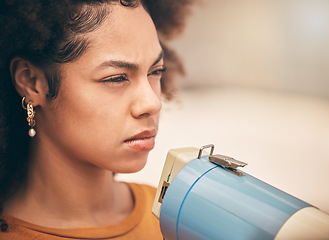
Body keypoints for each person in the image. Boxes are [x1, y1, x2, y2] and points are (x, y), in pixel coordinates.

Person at [0, 0, 195, 239]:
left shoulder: (178, 224)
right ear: (31, 82)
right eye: (116, 78)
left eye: (155, 71)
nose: (153, 103)